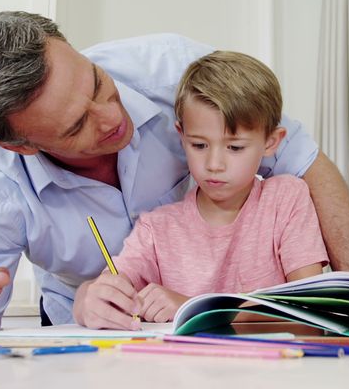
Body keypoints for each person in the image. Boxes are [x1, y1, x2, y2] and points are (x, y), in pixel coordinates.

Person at [0, 12, 349, 332]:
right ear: (19, 145)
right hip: (100, 336)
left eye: (97, 82)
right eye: (78, 125)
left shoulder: (174, 71)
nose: (111, 116)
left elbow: (309, 166)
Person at [76, 51, 329, 328]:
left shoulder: (286, 198)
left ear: (271, 142)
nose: (214, 164)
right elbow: (111, 291)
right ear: (181, 136)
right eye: (199, 145)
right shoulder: (156, 229)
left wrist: (194, 307)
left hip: (274, 366)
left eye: (234, 147)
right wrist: (92, 299)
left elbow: (310, 305)